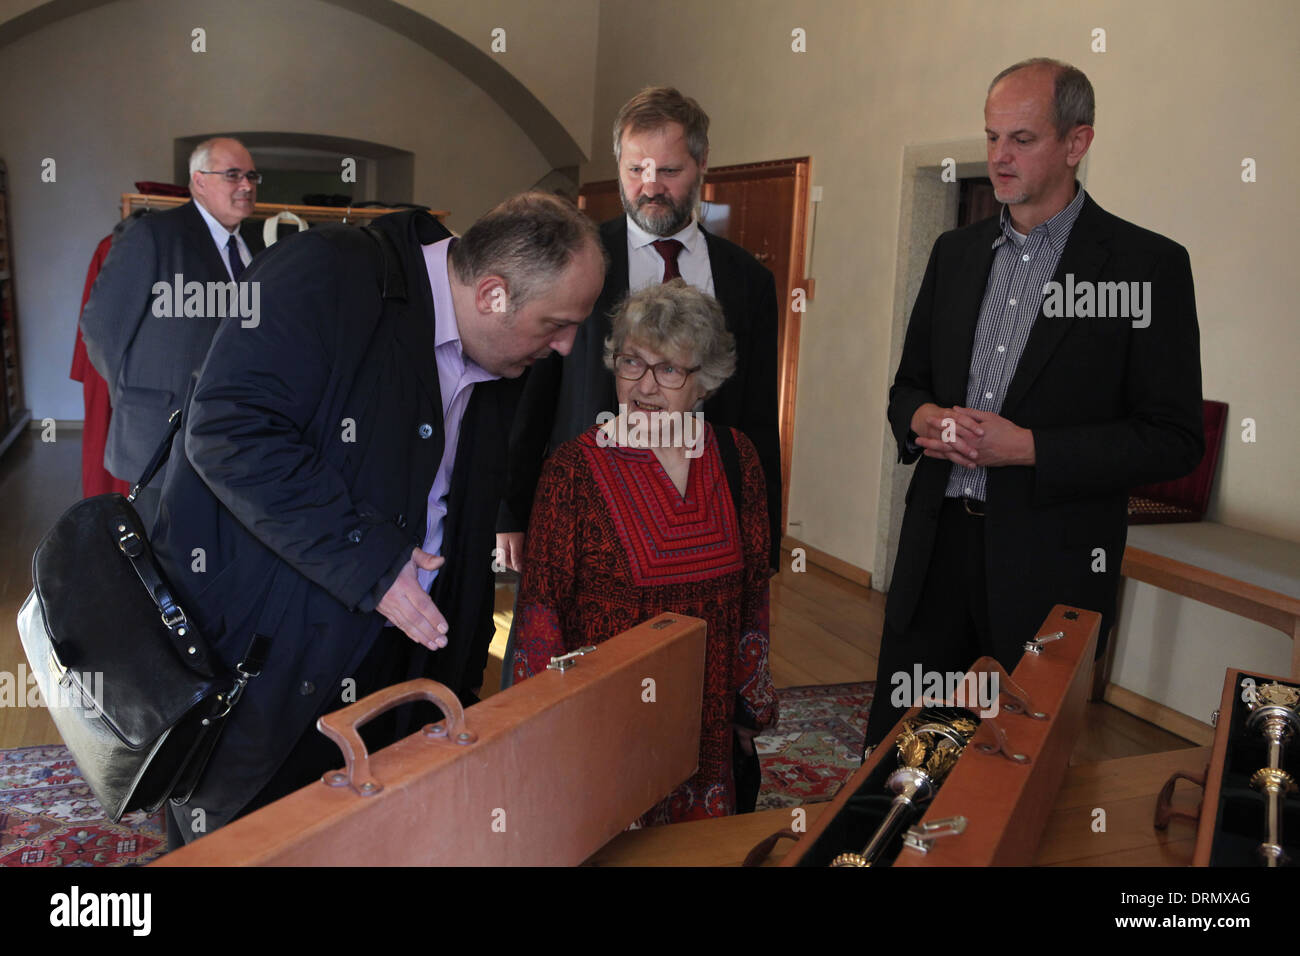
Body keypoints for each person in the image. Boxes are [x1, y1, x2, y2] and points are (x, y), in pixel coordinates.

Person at [151, 192, 605, 843]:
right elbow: (229, 430)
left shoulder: (506, 355)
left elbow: (463, 519)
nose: (566, 347)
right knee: (248, 848)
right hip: (269, 671)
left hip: (406, 665)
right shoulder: (328, 273)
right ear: (493, 294)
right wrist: (373, 562)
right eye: (557, 323)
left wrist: (461, 667)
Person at [865, 58, 1204, 748]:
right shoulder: (955, 253)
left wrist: (1029, 448)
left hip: (1050, 565)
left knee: (1016, 770)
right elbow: (908, 386)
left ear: (1077, 143)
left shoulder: (1146, 266)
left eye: (1021, 139)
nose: (998, 157)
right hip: (936, 552)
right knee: (904, 752)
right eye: (991, 137)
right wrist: (921, 419)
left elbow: (1172, 437)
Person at [512, 279, 779, 822]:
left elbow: (754, 596)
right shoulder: (573, 470)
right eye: (631, 363)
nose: (645, 387)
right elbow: (540, 616)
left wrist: (749, 710)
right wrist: (542, 735)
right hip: (607, 733)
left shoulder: (737, 457)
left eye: (670, 370)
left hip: (707, 733)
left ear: (705, 382)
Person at [498, 87, 782, 578]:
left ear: (702, 163)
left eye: (669, 171)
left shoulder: (748, 280)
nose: (650, 187)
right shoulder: (574, 260)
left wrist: (764, 536)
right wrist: (510, 513)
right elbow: (531, 401)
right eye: (635, 170)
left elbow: (757, 417)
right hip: (585, 512)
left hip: (702, 522)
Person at [80, 137, 265, 525]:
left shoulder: (250, 245)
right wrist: (135, 393)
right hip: (157, 437)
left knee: (205, 549)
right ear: (198, 181)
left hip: (226, 434)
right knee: (155, 553)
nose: (246, 186)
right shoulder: (153, 235)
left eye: (251, 175)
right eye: (232, 175)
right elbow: (100, 328)